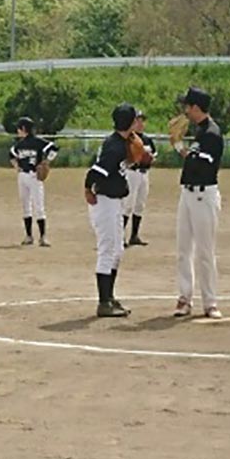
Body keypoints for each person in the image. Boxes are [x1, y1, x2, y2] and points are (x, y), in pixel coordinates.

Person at [84, 103, 144, 318]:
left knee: (117, 250)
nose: (138, 122)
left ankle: (109, 297)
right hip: (105, 202)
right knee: (108, 250)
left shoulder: (122, 142)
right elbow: (96, 171)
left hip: (114, 202)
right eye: (135, 119)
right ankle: (103, 303)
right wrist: (87, 188)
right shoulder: (115, 146)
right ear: (130, 122)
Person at [171, 88, 225, 320]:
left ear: (196, 107)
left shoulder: (212, 133)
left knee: (205, 251)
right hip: (187, 194)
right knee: (183, 249)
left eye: (188, 106)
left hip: (204, 195)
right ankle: (184, 298)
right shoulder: (200, 131)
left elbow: (200, 164)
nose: (185, 111)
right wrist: (179, 145)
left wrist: (178, 146)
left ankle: (210, 302)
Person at [9, 117, 59, 247]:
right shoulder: (19, 145)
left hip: (34, 176)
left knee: (38, 206)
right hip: (22, 176)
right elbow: (11, 155)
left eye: (19, 128)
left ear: (24, 129)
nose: (18, 131)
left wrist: (46, 162)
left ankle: (43, 237)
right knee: (26, 206)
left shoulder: (38, 142)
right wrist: (16, 166)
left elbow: (54, 148)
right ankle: (29, 236)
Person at [122, 111, 157, 248]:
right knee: (128, 204)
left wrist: (150, 158)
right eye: (137, 121)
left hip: (144, 173)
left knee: (140, 204)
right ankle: (120, 236)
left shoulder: (147, 140)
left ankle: (134, 235)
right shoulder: (129, 139)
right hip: (132, 173)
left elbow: (153, 155)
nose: (140, 124)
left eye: (142, 121)